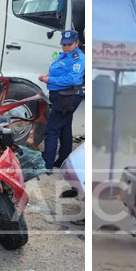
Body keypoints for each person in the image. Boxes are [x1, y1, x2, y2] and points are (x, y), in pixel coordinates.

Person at [38, 30, 85, 172]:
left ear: (76, 43)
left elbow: (72, 79)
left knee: (51, 130)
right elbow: (60, 71)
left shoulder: (78, 59)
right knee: (65, 129)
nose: (66, 47)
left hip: (67, 97)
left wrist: (50, 80)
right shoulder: (64, 55)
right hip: (61, 95)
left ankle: (47, 164)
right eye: (64, 44)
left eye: (69, 44)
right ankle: (64, 161)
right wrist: (48, 76)